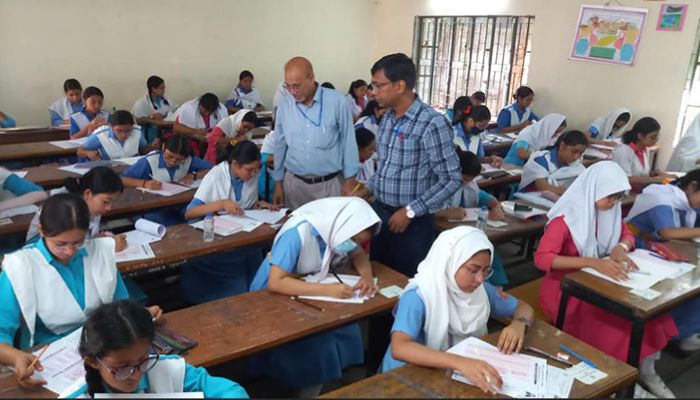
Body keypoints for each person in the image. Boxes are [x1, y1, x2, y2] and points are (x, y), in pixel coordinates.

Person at [534, 161, 677, 398]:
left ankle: (645, 371)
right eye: (611, 197)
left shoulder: (609, 211)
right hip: (566, 290)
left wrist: (621, 248)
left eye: (619, 198)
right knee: (617, 322)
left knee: (650, 315)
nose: (614, 203)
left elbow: (627, 235)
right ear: (594, 189)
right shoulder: (565, 219)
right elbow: (542, 259)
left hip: (599, 280)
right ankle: (616, 381)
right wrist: (592, 262)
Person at [0, 194, 163, 388]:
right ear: (42, 231)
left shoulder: (100, 252)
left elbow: (119, 308)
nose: (70, 251)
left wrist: (138, 316)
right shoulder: (21, 266)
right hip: (50, 358)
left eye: (79, 242)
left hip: (106, 351)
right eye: (61, 244)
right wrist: (16, 357)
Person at [364, 53, 461, 374]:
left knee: (408, 294)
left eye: (378, 85)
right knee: (379, 289)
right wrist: (364, 191)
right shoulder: (388, 119)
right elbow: (385, 169)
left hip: (412, 225)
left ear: (400, 85)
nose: (373, 91)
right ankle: (375, 360)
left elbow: (451, 179)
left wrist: (410, 210)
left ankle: (402, 362)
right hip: (382, 215)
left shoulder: (432, 123)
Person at [249, 197, 380, 397]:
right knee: (318, 343)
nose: (353, 244)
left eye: (357, 241)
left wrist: (367, 276)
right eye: (354, 240)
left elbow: (359, 255)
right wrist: (327, 291)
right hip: (274, 292)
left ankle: (327, 376)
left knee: (345, 325)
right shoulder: (297, 233)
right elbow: (275, 282)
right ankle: (302, 387)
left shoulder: (338, 229)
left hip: (307, 287)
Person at [380, 226, 533, 394]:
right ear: (450, 262)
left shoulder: (480, 291)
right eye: (473, 270)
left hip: (453, 371)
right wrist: (459, 362)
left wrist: (519, 324)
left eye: (486, 271)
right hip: (405, 376)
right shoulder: (419, 296)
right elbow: (400, 347)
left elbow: (523, 308)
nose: (480, 279)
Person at [66, 300, 248, 398]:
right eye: (121, 368)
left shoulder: (166, 369)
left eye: (143, 360)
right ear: (93, 361)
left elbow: (231, 391)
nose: (136, 375)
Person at [182, 141, 275, 303]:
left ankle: (256, 298)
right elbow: (189, 213)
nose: (254, 174)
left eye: (257, 169)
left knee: (257, 259)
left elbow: (245, 205)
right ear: (235, 164)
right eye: (250, 170)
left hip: (241, 237)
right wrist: (221, 204)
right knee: (238, 284)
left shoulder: (251, 175)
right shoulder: (216, 176)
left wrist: (259, 205)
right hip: (216, 242)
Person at [625, 171, 700, 353]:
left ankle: (679, 332)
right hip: (637, 247)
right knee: (679, 282)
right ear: (692, 187)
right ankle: (668, 333)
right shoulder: (662, 196)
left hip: (663, 248)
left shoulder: (686, 200)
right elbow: (668, 232)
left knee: (692, 280)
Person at [272, 57, 360, 209]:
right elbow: (280, 144)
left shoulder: (337, 101)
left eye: (297, 86)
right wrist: (278, 183)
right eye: (288, 86)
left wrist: (350, 180)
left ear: (311, 78)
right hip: (294, 186)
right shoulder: (285, 106)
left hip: (329, 186)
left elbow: (348, 141)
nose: (292, 92)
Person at [436, 150, 508, 286]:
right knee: (475, 250)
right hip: (442, 233)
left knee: (486, 247)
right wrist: (446, 213)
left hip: (466, 230)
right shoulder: (439, 184)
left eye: (470, 181)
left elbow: (489, 199)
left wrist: (497, 207)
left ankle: (496, 287)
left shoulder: (470, 186)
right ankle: (483, 285)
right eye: (463, 179)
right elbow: (422, 211)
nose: (466, 183)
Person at [121, 135, 212, 226]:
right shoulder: (149, 162)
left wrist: (194, 175)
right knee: (169, 224)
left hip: (177, 204)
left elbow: (213, 170)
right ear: (163, 147)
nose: (173, 161)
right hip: (151, 208)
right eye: (170, 156)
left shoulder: (188, 160)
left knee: (198, 215)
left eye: (179, 159)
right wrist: (144, 184)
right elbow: (121, 180)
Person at [26, 167, 125, 250]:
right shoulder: (62, 207)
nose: (109, 208)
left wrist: (97, 239)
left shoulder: (92, 206)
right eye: (106, 202)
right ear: (88, 194)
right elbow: (65, 248)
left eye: (112, 202)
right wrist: (106, 246)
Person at [518, 130, 588, 195]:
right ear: (562, 146)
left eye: (580, 153)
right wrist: (571, 193)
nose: (576, 157)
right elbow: (542, 187)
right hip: (529, 197)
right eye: (574, 151)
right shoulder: (541, 159)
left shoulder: (575, 165)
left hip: (557, 197)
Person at [611, 117, 674, 190]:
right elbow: (626, 178)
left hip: (641, 190)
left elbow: (642, 173)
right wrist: (654, 179)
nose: (655, 140)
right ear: (640, 136)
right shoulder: (623, 151)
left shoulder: (644, 150)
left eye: (657, 137)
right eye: (653, 137)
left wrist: (658, 174)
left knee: (670, 186)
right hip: (626, 192)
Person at [77, 110, 155, 161]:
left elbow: (143, 150)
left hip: (132, 169)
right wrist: (88, 153)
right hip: (109, 171)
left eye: (128, 130)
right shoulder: (101, 134)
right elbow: (80, 151)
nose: (123, 135)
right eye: (119, 131)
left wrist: (152, 147)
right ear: (111, 126)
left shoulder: (137, 132)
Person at [172, 93, 228, 157]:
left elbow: (224, 130)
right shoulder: (188, 109)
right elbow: (176, 128)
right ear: (199, 105)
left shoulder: (221, 111)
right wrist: (195, 133)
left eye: (210, 112)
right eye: (204, 111)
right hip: (190, 138)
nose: (207, 114)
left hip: (209, 139)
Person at [502, 114, 567, 167]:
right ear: (548, 127)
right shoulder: (528, 133)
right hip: (511, 166)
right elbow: (521, 154)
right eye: (555, 132)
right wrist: (543, 155)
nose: (556, 135)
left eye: (559, 133)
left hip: (527, 168)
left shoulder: (548, 138)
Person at [131, 75, 179, 144]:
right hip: (149, 138)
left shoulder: (166, 100)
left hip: (164, 132)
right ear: (153, 89)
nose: (164, 90)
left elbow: (176, 109)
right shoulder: (141, 103)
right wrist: (152, 117)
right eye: (162, 88)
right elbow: (136, 122)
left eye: (164, 88)